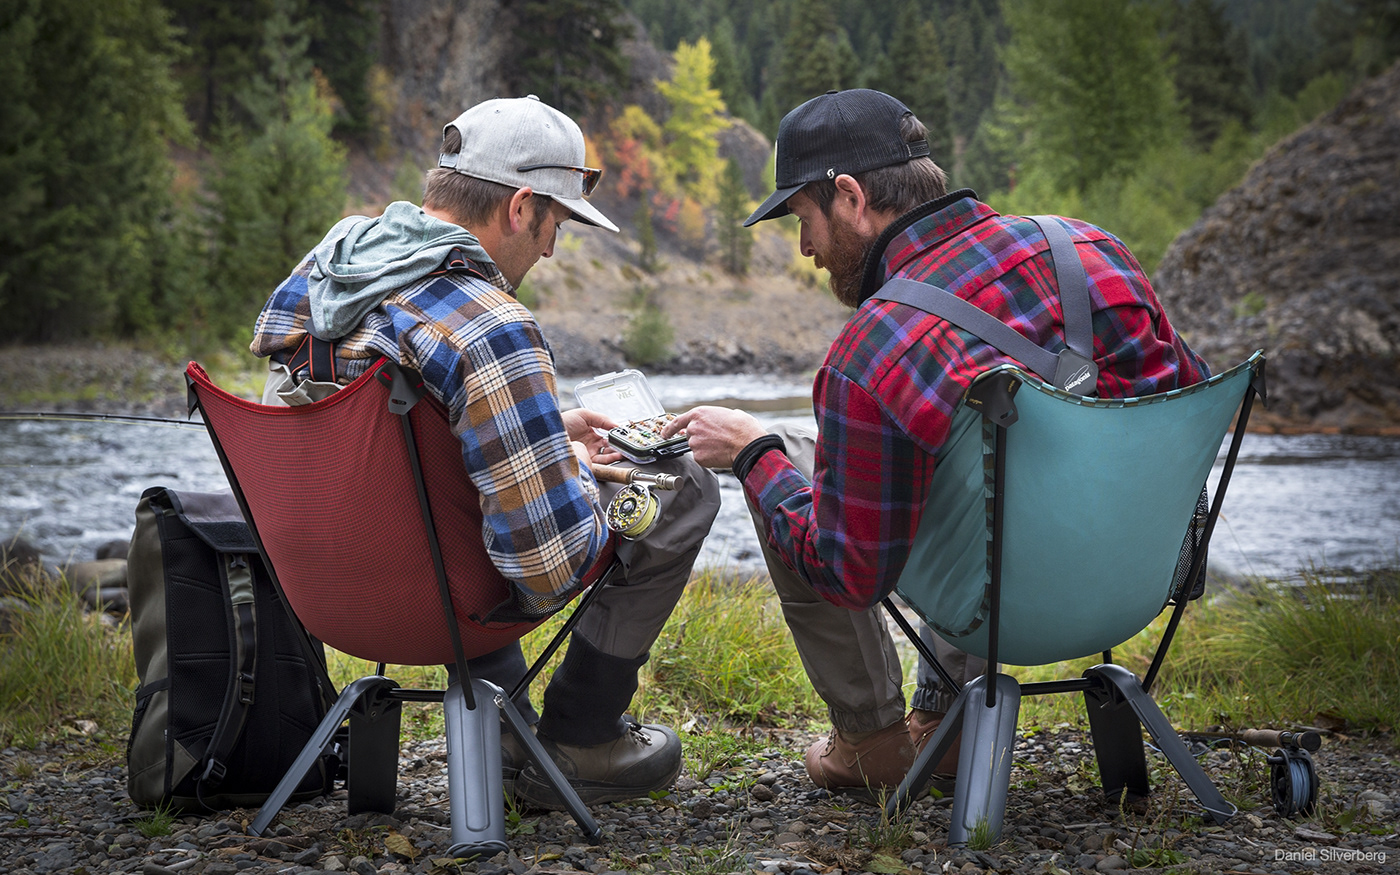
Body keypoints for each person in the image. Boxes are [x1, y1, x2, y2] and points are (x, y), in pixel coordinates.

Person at [664, 89, 1211, 795]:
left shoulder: (871, 350)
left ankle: (871, 741)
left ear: (852, 197)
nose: (805, 249)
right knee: (985, 448)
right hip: (1143, 583)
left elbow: (843, 572)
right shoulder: (1092, 250)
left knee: (788, 464)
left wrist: (751, 453)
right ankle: (943, 718)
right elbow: (1187, 398)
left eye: (803, 219)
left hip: (1002, 607)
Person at [249, 95, 721, 809]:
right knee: (683, 483)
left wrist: (542, 432)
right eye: (556, 225)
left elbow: (392, 446)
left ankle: (507, 735)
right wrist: (566, 468)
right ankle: (583, 739)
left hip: (323, 593)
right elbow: (548, 566)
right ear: (521, 207)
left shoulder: (322, 271)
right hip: (442, 601)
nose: (551, 249)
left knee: (481, 493)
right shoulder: (494, 325)